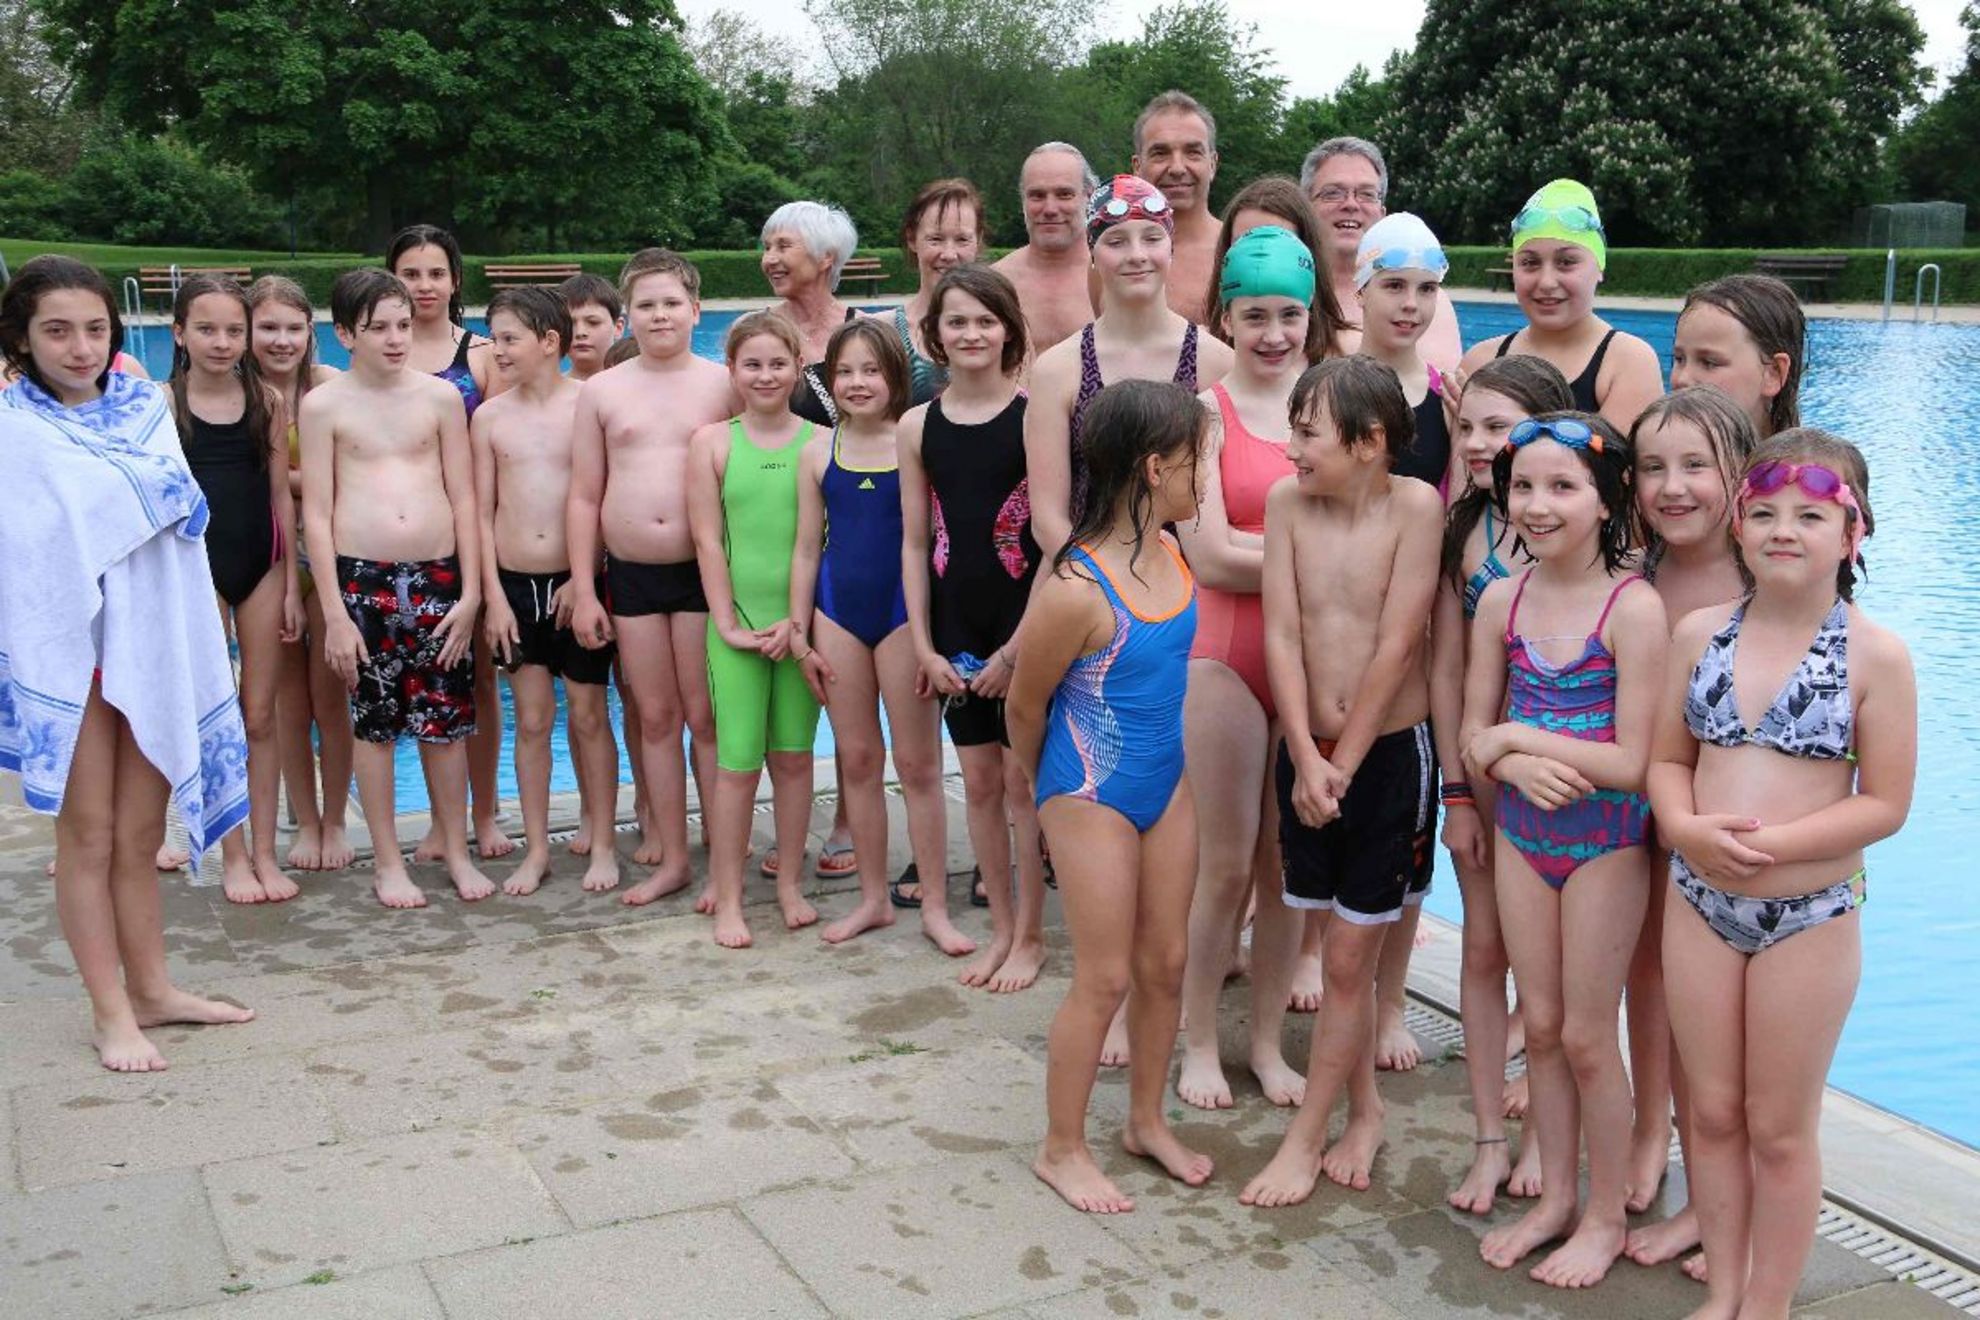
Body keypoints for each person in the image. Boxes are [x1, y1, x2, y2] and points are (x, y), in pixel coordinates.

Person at [1652, 431, 1913, 1320]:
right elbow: (1667, 761)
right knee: (1712, 1113)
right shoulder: (1699, 634)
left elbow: (1885, 803)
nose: (1783, 530)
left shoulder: (1876, 656)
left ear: (1854, 533)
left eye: (1809, 515)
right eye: (1763, 513)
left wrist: (1779, 845)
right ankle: (1725, 1290)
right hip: (1699, 901)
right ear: (1737, 525)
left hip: (1809, 914)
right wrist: (1685, 828)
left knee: (1778, 1128)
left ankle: (1768, 1305)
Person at [0, 255, 255, 1070]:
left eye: (94, 329)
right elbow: (30, 549)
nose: (80, 348)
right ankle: (109, 1012)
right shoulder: (14, 431)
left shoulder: (147, 409)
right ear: (22, 338)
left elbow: (175, 523)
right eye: (57, 331)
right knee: (90, 835)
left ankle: (152, 990)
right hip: (69, 653)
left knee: (143, 834)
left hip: (150, 643)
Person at [1462, 413, 1667, 1288]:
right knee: (1539, 1028)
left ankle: (1606, 1215)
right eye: (1523, 487)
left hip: (1605, 844)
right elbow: (1471, 735)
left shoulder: (1634, 607)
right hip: (1522, 835)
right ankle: (1553, 1202)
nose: (1537, 505)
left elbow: (1633, 762)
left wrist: (1517, 740)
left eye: (1562, 487)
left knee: (1586, 1036)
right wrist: (1505, 756)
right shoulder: (1502, 600)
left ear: (1607, 498)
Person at [1239, 356, 1443, 1209]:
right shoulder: (1289, 505)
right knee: (1331, 942)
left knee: (1352, 960)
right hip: (1308, 753)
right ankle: (1365, 1110)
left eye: (1306, 433)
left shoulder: (1416, 508)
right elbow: (1281, 635)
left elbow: (1398, 645)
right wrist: (1302, 750)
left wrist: (1344, 763)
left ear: (1368, 442)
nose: (1289, 450)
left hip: (1385, 759)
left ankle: (1306, 1137)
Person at [1010, 378, 1213, 1213]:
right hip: (1089, 789)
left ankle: (1145, 1122)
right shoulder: (1075, 589)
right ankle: (1060, 1148)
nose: (1208, 476)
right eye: (1199, 460)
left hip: (1167, 781)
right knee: (1103, 978)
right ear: (1156, 468)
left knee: (1166, 963)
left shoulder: (1171, 550)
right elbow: (1024, 706)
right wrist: (1050, 798)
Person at [1173, 225, 1321, 1112]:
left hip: (1311, 659)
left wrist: (1275, 552)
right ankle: (1199, 1040)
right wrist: (1318, 560)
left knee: (1288, 870)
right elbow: (1210, 555)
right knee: (1225, 866)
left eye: (1288, 315)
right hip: (1224, 655)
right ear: (1225, 317)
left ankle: (1265, 1046)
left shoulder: (1331, 406)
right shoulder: (1202, 415)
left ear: (1311, 315)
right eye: (1255, 314)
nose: (1273, 333)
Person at [1621, 386, 1762, 1276]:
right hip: (1635, 809)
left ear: (1739, 474)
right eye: (1652, 468)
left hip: (1724, 834)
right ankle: (1649, 1135)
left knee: (1729, 1027)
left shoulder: (1762, 578)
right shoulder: (1632, 572)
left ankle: (1727, 1202)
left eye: (1696, 467)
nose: (1673, 488)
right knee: (1647, 978)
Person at [1431, 355, 1573, 1216]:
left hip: (1569, 780)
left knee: (1553, 974)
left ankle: (1549, 1136)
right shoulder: (1466, 532)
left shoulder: (1589, 529)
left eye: (1499, 427)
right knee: (1484, 951)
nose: (1480, 444)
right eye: (1467, 427)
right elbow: (1447, 674)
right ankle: (1489, 1136)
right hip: (1485, 774)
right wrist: (1455, 792)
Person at [301, 269, 489, 909]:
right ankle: (388, 862)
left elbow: (465, 497)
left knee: (446, 724)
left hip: (439, 578)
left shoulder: (440, 398)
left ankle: (456, 851)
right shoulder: (324, 406)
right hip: (363, 583)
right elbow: (317, 514)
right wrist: (334, 614)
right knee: (374, 726)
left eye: (403, 325)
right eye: (378, 327)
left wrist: (471, 594)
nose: (394, 338)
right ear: (344, 334)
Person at [789, 319, 971, 953]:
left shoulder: (915, 442)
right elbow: (806, 548)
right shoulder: (818, 451)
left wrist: (929, 640)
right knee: (859, 760)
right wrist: (799, 631)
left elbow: (933, 542)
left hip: (902, 617)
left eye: (871, 370)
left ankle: (935, 904)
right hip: (837, 614)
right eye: (844, 372)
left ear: (896, 375)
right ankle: (873, 899)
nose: (857, 383)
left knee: (918, 764)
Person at [566, 249, 734, 905]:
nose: (660, 315)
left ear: (696, 310)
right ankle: (673, 857)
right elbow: (585, 494)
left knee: (705, 717)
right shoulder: (603, 391)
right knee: (657, 718)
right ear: (627, 317)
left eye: (671, 303)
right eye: (646, 305)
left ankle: (722, 852)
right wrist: (585, 589)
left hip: (703, 574)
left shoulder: (722, 384)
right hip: (632, 576)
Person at [900, 264, 1048, 991]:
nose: (971, 334)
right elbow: (914, 544)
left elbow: (1055, 544)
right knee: (981, 784)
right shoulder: (916, 426)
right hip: (955, 628)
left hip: (1023, 626)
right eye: (956, 321)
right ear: (936, 333)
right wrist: (923, 646)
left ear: (1009, 330)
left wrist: (1018, 650)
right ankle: (1000, 931)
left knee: (1023, 786)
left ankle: (1032, 937)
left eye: (985, 321)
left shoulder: (1036, 419)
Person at [472, 287, 621, 898]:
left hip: (575, 585)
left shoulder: (589, 404)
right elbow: (481, 514)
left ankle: (604, 842)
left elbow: (605, 497)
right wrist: (493, 599)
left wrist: (584, 581)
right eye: (495, 339)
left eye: (509, 339)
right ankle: (537, 850)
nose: (498, 351)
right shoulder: (489, 417)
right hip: (514, 587)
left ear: (548, 341)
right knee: (532, 721)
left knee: (588, 715)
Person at [166, 274, 304, 905]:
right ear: (180, 334)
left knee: (260, 715)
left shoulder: (265, 402)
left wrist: (294, 587)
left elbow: (280, 497)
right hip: (197, 574)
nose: (221, 342)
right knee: (216, 719)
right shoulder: (164, 405)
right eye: (206, 329)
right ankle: (233, 855)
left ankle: (265, 853)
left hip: (262, 568)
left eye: (233, 330)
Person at [687, 310, 822, 949]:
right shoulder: (712, 443)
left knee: (794, 759)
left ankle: (789, 883)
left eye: (777, 363)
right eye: (752, 364)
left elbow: (813, 544)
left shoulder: (821, 443)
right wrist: (726, 623)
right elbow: (708, 542)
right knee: (737, 765)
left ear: (798, 367)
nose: (765, 375)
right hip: (735, 629)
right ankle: (730, 896)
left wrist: (797, 625)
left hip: (799, 628)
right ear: (732, 370)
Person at [1028, 175, 1234, 560]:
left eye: (1152, 238)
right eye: (1116, 241)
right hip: (1086, 576)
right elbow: (1048, 519)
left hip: (1191, 579)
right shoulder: (1057, 370)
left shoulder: (1217, 361)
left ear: (1171, 248)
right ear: (1092, 253)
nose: (1137, 254)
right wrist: (1108, 583)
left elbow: (1221, 505)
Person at [388, 224, 511, 861]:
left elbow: (507, 450)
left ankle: (484, 814)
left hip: (470, 535)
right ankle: (442, 822)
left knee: (480, 680)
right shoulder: (384, 351)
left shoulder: (482, 356)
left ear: (455, 280)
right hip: (405, 538)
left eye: (436, 273)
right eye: (411, 274)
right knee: (419, 682)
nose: (424, 285)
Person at [761, 200, 863, 880]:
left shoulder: (866, 335)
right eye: (767, 246)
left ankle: (850, 820)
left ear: (826, 260)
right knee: (787, 696)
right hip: (778, 538)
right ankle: (791, 824)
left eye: (784, 246)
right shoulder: (758, 333)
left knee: (851, 692)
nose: (770, 258)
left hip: (850, 536)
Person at [251, 275, 355, 874]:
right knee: (287, 703)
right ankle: (306, 821)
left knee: (330, 695)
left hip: (328, 555)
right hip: (269, 559)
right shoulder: (240, 394)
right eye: (268, 327)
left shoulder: (329, 385)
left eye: (293, 328)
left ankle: (336, 818)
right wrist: (306, 479)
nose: (282, 340)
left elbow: (347, 472)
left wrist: (287, 481)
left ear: (310, 332)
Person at [1458, 181, 1664, 434]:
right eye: (1530, 263)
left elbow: (1611, 460)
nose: (1546, 282)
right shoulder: (1479, 361)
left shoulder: (1627, 362)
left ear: (1599, 267)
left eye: (1566, 262)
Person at [1298, 137, 1462, 371]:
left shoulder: (1430, 303)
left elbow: (1438, 385)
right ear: (1305, 208)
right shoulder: (1285, 293)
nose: (1351, 204)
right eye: (1333, 193)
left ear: (1382, 213)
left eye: (1366, 194)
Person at [1352, 212, 1459, 493]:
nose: (1411, 303)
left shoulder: (1448, 400)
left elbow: (1460, 504)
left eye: (1427, 289)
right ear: (1360, 291)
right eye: (1395, 286)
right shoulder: (1324, 391)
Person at [1199, 175, 1351, 362]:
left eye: (1279, 244)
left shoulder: (1349, 353)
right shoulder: (1200, 353)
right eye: (1246, 243)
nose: (1262, 257)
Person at [882, 178, 983, 406]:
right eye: (936, 239)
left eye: (962, 239)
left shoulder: (1003, 329)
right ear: (912, 239)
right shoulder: (884, 331)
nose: (949, 254)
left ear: (978, 240)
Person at [993, 142, 1101, 354]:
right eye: (1037, 195)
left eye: (1064, 194)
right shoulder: (996, 284)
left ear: (1090, 197)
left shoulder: (1115, 278)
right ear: (1023, 200)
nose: (1050, 209)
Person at [1669, 275, 1804, 439]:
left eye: (1709, 363)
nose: (1682, 379)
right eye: (1679, 359)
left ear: (1773, 373)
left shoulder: (1808, 455)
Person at [1130, 90, 1221, 322]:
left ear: (1212, 164)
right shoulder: (1109, 257)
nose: (1177, 168)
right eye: (1160, 153)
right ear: (1137, 166)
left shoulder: (1238, 249)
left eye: (1193, 152)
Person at [559, 273, 626, 383]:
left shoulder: (635, 387)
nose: (580, 332)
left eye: (593, 322)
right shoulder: (546, 390)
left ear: (618, 328)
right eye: (569, 324)